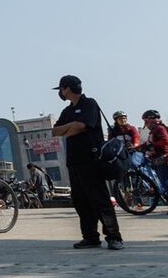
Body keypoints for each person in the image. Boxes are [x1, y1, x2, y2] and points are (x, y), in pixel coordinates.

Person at [52, 74, 123, 249]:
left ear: (67, 88)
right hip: (73, 161)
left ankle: (114, 236)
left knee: (100, 199)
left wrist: (70, 128)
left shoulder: (89, 104)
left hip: (91, 160)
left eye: (61, 89)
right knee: (80, 201)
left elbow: (82, 126)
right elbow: (56, 131)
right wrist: (71, 127)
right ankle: (90, 237)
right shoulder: (67, 111)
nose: (60, 93)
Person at [140, 110, 168, 215]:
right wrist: (136, 148)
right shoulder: (154, 131)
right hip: (157, 160)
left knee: (166, 184)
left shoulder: (159, 129)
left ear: (150, 119)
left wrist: (152, 144)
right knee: (165, 183)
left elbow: (165, 142)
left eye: (146, 121)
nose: (145, 124)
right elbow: (147, 144)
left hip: (162, 159)